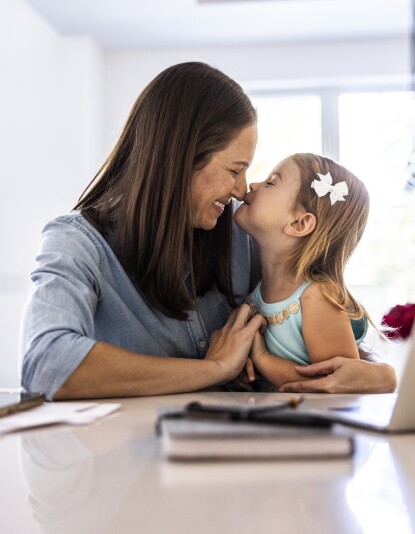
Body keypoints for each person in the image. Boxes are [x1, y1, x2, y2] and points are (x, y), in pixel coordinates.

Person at [20, 62, 396, 400]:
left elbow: (327, 338)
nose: (240, 189)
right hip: (124, 459)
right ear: (180, 158)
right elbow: (46, 363)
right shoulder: (77, 243)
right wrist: (214, 369)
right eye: (234, 170)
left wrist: (381, 374)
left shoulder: (246, 236)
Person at [232, 153, 386, 391]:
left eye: (271, 183)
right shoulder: (258, 290)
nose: (253, 185)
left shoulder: (317, 297)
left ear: (299, 224)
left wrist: (263, 360)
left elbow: (337, 384)